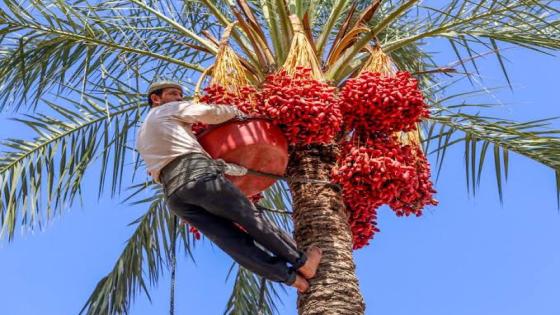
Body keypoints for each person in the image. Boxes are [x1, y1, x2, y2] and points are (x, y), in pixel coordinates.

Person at [135, 80, 322, 292]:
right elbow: (210, 113)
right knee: (250, 218)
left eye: (180, 95)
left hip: (175, 196)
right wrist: (235, 111)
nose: (179, 98)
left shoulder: (142, 134)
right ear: (156, 99)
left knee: (232, 243)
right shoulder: (168, 110)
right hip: (196, 175)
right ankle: (303, 263)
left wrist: (223, 167)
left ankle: (291, 279)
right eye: (172, 94)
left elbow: (167, 162)